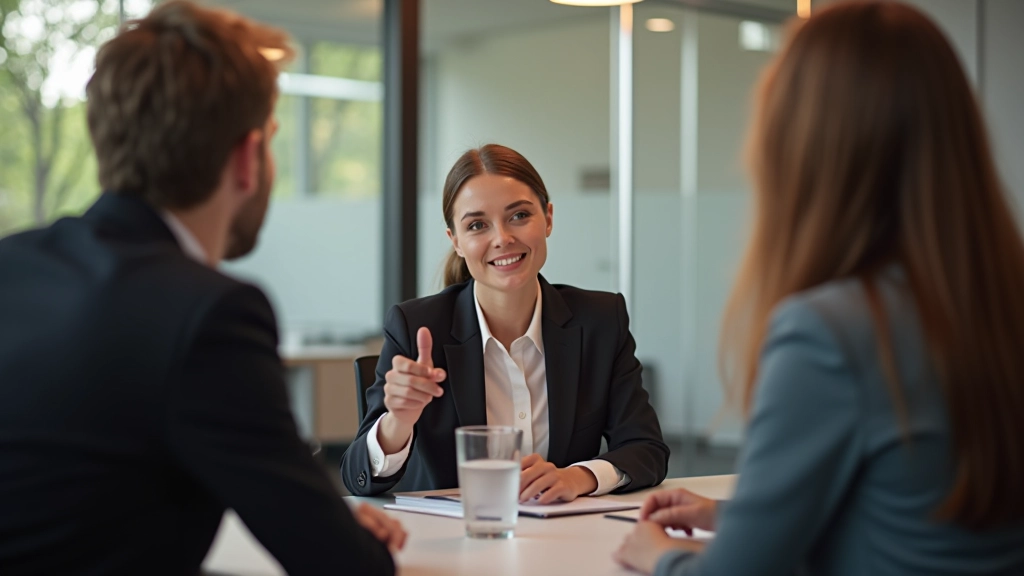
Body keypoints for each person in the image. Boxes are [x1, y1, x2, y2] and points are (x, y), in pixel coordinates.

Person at [613, 2, 1024, 575]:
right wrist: (739, 514)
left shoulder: (832, 330)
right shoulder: (995, 301)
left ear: (804, 150)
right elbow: (916, 502)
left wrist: (661, 556)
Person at [0, 2, 404, 574]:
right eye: (270, 138)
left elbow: (84, 502)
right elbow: (346, 566)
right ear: (247, 158)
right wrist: (328, 528)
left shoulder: (12, 263)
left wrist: (313, 515)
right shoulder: (208, 313)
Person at [341, 144, 669, 501]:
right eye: (477, 225)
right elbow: (356, 475)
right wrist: (398, 422)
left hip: (565, 537)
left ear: (548, 218)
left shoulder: (601, 321)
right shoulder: (417, 327)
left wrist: (578, 477)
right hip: (453, 543)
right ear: (457, 242)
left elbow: (646, 448)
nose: (502, 238)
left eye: (519, 216)